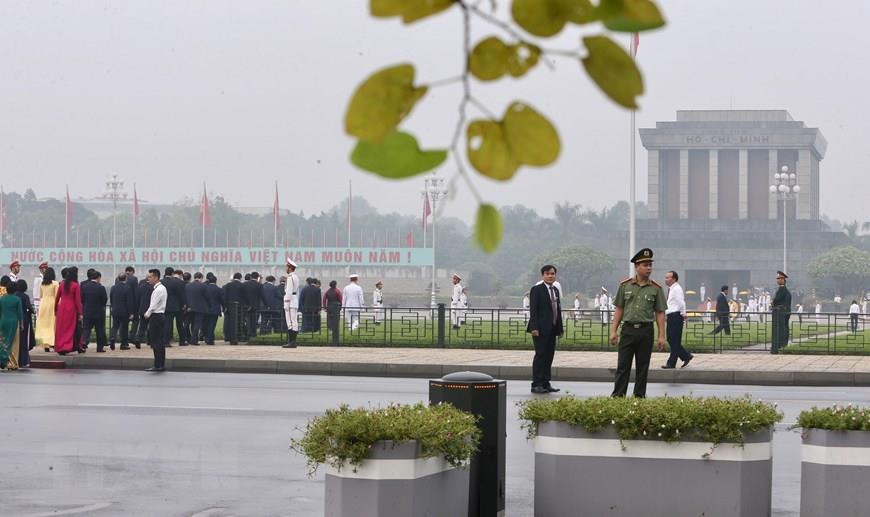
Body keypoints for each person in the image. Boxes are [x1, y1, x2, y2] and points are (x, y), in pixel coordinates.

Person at [609, 248, 666, 398]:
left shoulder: (656, 288)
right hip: (628, 330)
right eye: (645, 265)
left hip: (646, 331)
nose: (649, 268)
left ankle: (639, 397)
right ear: (637, 266)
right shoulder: (625, 286)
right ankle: (618, 396)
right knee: (623, 366)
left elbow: (660, 312)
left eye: (650, 265)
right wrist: (613, 331)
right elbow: (619, 309)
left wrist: (661, 336)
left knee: (643, 367)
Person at [526, 265, 563, 394]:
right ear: (543, 275)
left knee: (549, 356)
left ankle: (546, 383)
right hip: (540, 329)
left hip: (552, 329)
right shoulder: (537, 289)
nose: (550, 276)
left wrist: (560, 328)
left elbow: (557, 310)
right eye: (547, 274)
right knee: (540, 356)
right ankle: (536, 384)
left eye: (552, 274)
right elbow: (533, 310)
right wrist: (534, 327)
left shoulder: (556, 290)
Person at [661, 270, 692, 369]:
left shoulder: (677, 289)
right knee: (672, 339)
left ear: (674, 279)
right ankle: (686, 356)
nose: (665, 279)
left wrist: (683, 314)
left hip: (676, 316)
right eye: (665, 277)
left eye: (667, 277)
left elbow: (681, 302)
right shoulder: (672, 289)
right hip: (672, 316)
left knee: (673, 339)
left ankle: (671, 363)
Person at [54, 266, 82, 355]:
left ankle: (60, 346)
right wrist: (80, 313)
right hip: (71, 308)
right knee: (69, 329)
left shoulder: (62, 284)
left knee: (61, 328)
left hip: (62, 308)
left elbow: (57, 298)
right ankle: (66, 346)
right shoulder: (75, 285)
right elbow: (78, 301)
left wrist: (55, 309)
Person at [143, 269, 167, 372]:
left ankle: (158, 365)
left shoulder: (159, 289)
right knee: (159, 342)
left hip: (156, 316)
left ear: (156, 277)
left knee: (156, 342)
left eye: (150, 277)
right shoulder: (159, 288)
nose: (149, 279)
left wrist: (147, 314)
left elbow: (154, 305)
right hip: (159, 316)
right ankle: (160, 364)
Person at [80, 269, 109, 352]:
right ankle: (99, 348)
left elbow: (82, 299)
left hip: (87, 311)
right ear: (98, 278)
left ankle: (84, 342)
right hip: (99, 312)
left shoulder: (85, 287)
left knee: (86, 329)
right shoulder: (101, 287)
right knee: (99, 330)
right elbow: (104, 299)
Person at [0, 279, 23, 370]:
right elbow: (20, 313)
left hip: (3, 320)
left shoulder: (2, 299)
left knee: (2, 340)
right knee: (9, 341)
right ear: (15, 290)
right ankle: (4, 360)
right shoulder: (17, 299)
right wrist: (21, 324)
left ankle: (2, 358)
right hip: (13, 321)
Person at [35, 267, 59, 352]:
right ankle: (52, 342)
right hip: (52, 303)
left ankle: (46, 345)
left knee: (44, 324)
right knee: (52, 324)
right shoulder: (55, 283)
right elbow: (57, 296)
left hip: (43, 304)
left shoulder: (42, 283)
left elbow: (40, 295)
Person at [109, 274, 135, 350]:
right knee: (124, 328)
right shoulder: (127, 288)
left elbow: (111, 299)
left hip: (115, 310)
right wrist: (131, 312)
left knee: (114, 326)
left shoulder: (113, 288)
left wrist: (113, 307)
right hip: (124, 311)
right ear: (126, 279)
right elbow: (129, 301)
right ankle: (123, 344)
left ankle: (112, 338)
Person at [161, 267, 184, 347]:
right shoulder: (177, 282)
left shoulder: (161, 282)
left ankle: (165, 340)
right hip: (175, 305)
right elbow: (180, 295)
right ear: (172, 273)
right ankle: (179, 341)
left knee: (166, 324)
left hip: (163, 305)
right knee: (178, 323)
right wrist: (183, 304)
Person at [14, 280, 35, 366]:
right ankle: (24, 360)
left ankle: (16, 359)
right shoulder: (25, 296)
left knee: (17, 340)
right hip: (25, 320)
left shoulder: (15, 295)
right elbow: (29, 307)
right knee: (24, 340)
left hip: (16, 319)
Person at [771, 271, 792, 354]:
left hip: (781, 312)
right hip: (785, 312)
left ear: (783, 280)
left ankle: (780, 345)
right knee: (784, 328)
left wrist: (772, 303)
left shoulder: (782, 289)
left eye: (779, 278)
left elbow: (776, 300)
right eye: (777, 278)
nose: (777, 280)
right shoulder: (784, 289)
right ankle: (783, 344)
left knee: (781, 329)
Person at [185, 272, 208, 346]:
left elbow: (186, 297)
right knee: (197, 325)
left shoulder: (188, 286)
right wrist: (209, 305)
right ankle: (194, 339)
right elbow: (207, 297)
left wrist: (188, 306)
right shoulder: (203, 286)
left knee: (187, 323)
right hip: (200, 308)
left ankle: (188, 338)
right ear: (201, 278)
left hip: (190, 308)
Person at [282, 260, 300, 348]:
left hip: (290, 301)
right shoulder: (295, 277)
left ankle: (291, 342)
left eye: (287, 267)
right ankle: (293, 342)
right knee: (294, 321)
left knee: (290, 322)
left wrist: (286, 303)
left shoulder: (290, 277)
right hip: (294, 300)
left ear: (290, 268)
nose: (286, 268)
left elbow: (288, 291)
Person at [223, 272, 244, 345]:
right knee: (238, 323)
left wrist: (225, 306)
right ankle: (237, 338)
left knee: (230, 322)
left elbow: (225, 296)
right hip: (239, 306)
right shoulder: (242, 285)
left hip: (229, 305)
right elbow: (243, 297)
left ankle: (230, 338)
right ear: (240, 278)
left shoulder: (228, 285)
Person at [242, 272, 263, 341]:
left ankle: (247, 334)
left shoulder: (244, 284)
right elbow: (262, 296)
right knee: (254, 321)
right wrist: (266, 304)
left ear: (251, 277)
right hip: (256, 306)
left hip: (246, 306)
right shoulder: (259, 285)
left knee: (247, 320)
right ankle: (253, 334)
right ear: (257, 277)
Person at [203, 273, 223, 345]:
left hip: (206, 309)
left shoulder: (204, 288)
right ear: (216, 281)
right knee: (212, 325)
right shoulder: (219, 289)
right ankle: (210, 339)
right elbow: (222, 300)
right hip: (215, 310)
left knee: (205, 324)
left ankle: (206, 337)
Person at [322, 280, 342, 345]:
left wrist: (325, 307)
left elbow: (324, 300)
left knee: (330, 320)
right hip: (336, 307)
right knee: (336, 322)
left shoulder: (327, 292)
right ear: (335, 285)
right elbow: (340, 299)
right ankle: (336, 338)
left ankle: (331, 330)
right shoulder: (337, 291)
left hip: (329, 307)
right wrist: (340, 307)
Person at [134, 277, 152, 348]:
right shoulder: (153, 287)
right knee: (152, 326)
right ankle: (150, 341)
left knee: (142, 326)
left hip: (142, 309)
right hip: (151, 309)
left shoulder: (140, 287)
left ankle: (139, 339)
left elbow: (137, 299)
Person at [124, 266, 141, 346]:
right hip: (133, 305)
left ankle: (124, 340)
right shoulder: (134, 279)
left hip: (122, 305)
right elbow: (136, 293)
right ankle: (132, 336)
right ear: (132, 272)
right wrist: (137, 305)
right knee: (136, 321)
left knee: (123, 324)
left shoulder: (118, 279)